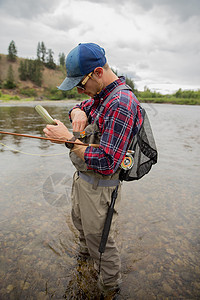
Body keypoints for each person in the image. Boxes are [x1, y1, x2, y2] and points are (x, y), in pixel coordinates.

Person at [43, 43, 143, 298]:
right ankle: (83, 264)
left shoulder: (121, 102)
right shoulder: (100, 95)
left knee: (102, 245)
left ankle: (108, 289)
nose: (79, 90)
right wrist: (76, 111)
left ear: (98, 72)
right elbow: (79, 105)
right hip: (84, 181)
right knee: (81, 227)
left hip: (101, 190)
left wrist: (68, 139)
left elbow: (108, 162)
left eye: (81, 84)